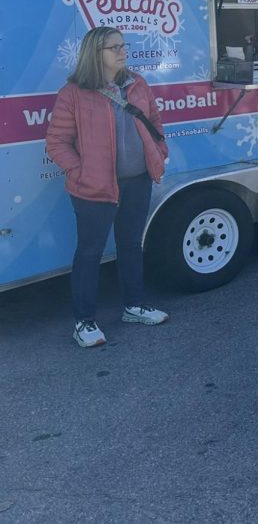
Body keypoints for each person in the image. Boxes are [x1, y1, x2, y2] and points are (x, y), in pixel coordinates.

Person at [46, 26, 170, 347]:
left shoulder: (137, 84)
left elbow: (154, 122)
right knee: (89, 253)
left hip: (137, 181)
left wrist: (159, 152)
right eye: (113, 47)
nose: (121, 51)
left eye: (122, 45)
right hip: (94, 189)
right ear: (95, 54)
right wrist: (81, 172)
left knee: (130, 246)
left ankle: (134, 305)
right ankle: (84, 323)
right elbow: (57, 142)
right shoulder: (73, 93)